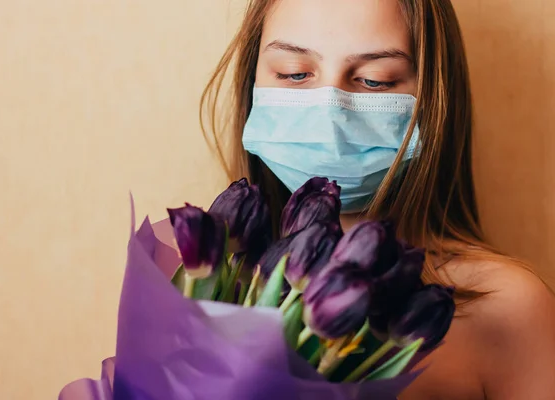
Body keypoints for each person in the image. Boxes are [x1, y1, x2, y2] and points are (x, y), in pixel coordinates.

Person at [198, 0, 555, 399]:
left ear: (433, 99)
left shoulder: (507, 311)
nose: (329, 114)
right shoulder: (203, 283)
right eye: (293, 73)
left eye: (375, 80)